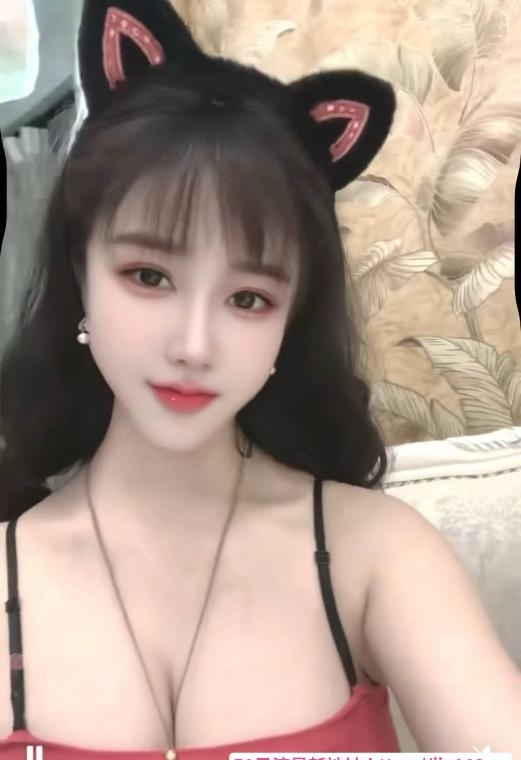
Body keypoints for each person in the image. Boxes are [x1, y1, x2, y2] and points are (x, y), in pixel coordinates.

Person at [0, 1, 520, 758]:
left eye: (248, 299)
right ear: (81, 274)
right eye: (149, 276)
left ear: (289, 321)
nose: (194, 345)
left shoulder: (374, 555)